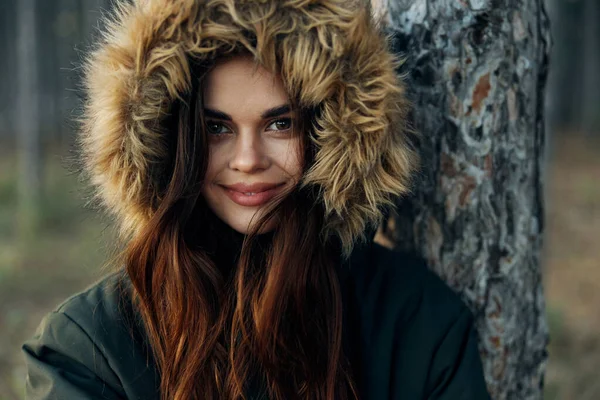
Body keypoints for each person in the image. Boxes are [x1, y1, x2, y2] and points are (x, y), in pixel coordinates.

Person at [22, 0, 491, 399]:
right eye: (217, 128)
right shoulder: (90, 347)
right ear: (170, 140)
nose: (248, 160)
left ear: (334, 133)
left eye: (280, 123)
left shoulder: (415, 322)